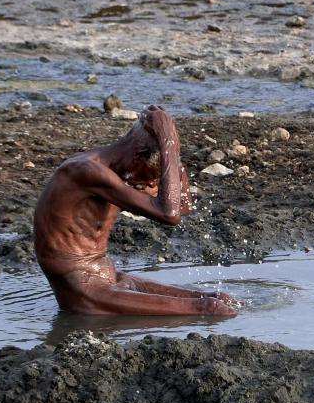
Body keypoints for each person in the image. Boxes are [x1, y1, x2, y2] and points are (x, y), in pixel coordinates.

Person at [34, 105, 238, 316]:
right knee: (211, 309)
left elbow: (183, 205)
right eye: (151, 177)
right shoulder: (86, 172)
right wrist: (166, 142)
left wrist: (172, 147)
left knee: (218, 298)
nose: (150, 184)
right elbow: (170, 215)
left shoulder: (127, 171)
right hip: (85, 289)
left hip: (109, 275)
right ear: (138, 156)